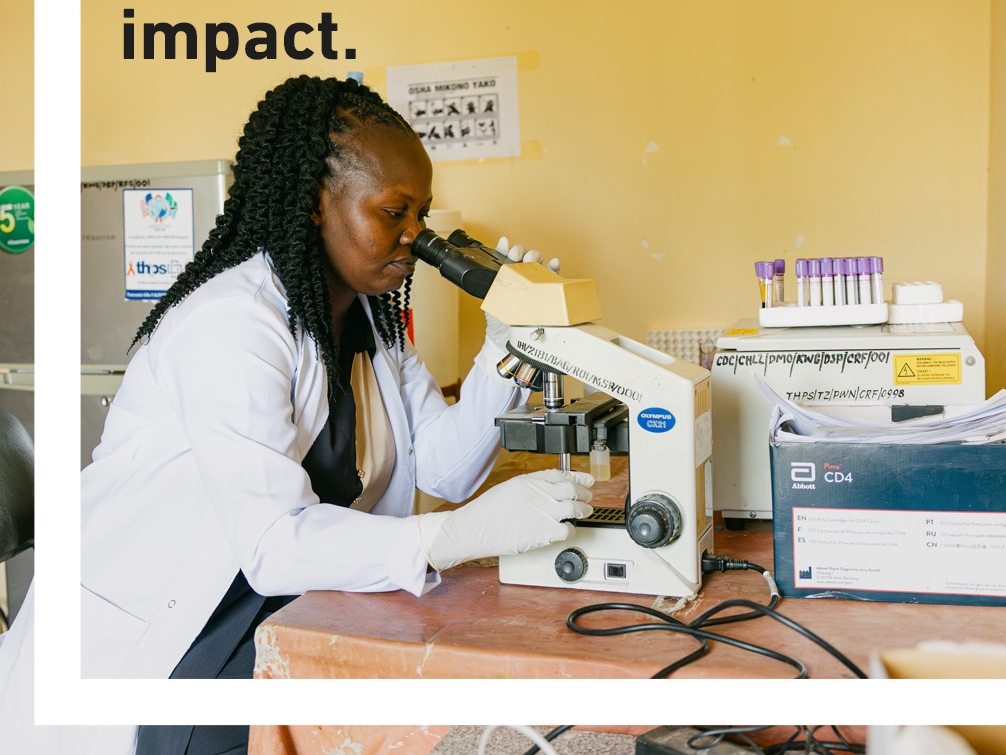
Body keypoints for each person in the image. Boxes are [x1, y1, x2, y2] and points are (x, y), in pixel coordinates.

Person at [0, 75, 593, 755]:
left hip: (279, 605)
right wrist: (450, 536)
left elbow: (446, 467)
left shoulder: (374, 322)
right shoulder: (232, 323)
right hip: (173, 635)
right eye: (393, 212)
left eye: (422, 215)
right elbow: (274, 544)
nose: (416, 237)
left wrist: (507, 346)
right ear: (315, 203)